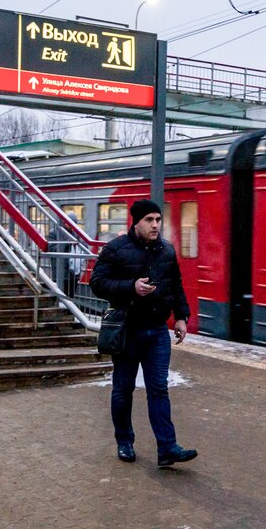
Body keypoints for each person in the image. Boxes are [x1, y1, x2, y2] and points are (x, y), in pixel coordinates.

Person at [90, 199, 197, 468]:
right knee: (123, 390)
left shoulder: (167, 251)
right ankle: (124, 441)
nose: (155, 225)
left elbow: (176, 286)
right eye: (149, 220)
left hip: (158, 331)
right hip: (128, 331)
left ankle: (167, 448)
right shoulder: (115, 249)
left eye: (158, 220)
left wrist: (182, 317)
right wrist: (131, 287)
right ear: (136, 222)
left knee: (159, 389)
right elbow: (97, 283)